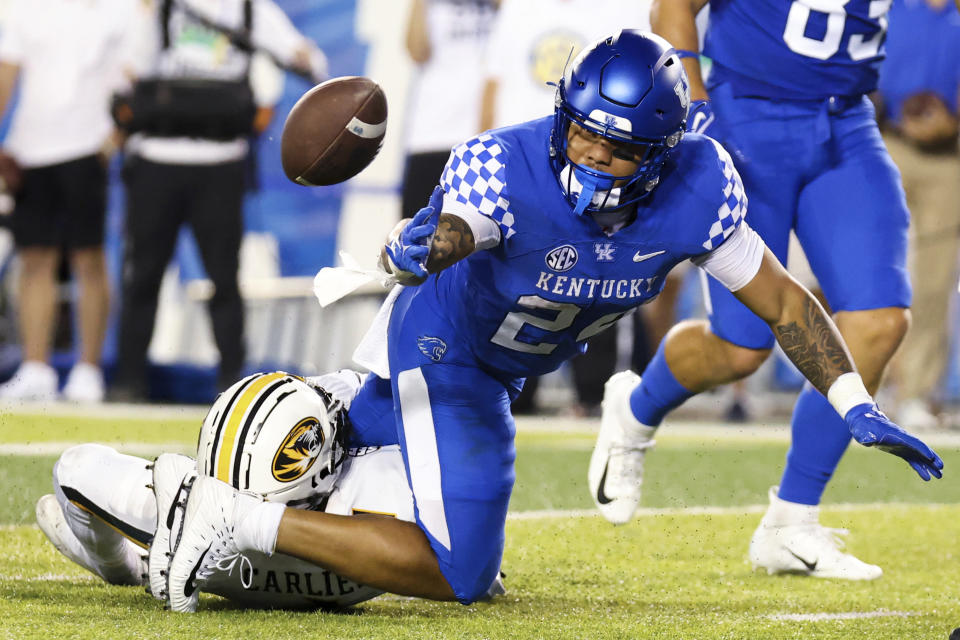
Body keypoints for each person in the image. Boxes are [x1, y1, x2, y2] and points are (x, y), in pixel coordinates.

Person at [162, 31, 941, 612]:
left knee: (444, 542)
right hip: (447, 352)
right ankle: (230, 515)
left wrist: (854, 403)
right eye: (582, 132)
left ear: (666, 153)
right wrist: (422, 245)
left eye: (619, 148)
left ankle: (307, 441)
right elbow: (462, 227)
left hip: (500, 373)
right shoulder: (503, 163)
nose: (592, 158)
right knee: (463, 572)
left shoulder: (700, 186)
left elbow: (784, 303)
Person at [586, 0, 929, 580]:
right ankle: (634, 410)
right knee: (741, 348)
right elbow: (671, 7)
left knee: (879, 320)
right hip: (744, 115)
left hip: (848, 123)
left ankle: (791, 523)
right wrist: (694, 106)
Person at [35, 370, 432, 610]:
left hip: (239, 559)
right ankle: (136, 566)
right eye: (224, 493)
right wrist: (120, 565)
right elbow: (76, 471)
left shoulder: (379, 486)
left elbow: (453, 562)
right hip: (211, 551)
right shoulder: (332, 402)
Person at [111, 0, 327, 401]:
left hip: (221, 164)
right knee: (142, 276)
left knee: (224, 279)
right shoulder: (159, 9)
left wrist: (292, 62)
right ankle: (128, 381)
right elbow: (125, 72)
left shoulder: (249, 10)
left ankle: (231, 381)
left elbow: (311, 60)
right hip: (157, 159)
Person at [0, 0, 141, 402]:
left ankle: (88, 371)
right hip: (30, 149)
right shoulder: (25, 8)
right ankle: (35, 368)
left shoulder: (123, 9)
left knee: (88, 259)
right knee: (35, 258)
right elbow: (6, 76)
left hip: (87, 147)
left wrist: (114, 141)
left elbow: (135, 76)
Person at [876, 0, 960, 429]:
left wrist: (952, 121)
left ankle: (916, 393)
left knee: (932, 282)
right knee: (872, 269)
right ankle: (868, 382)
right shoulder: (890, 7)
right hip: (884, 141)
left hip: (949, 157)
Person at [402, 0, 498, 220]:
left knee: (479, 244)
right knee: (416, 237)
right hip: (431, 134)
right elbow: (416, 50)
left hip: (484, 141)